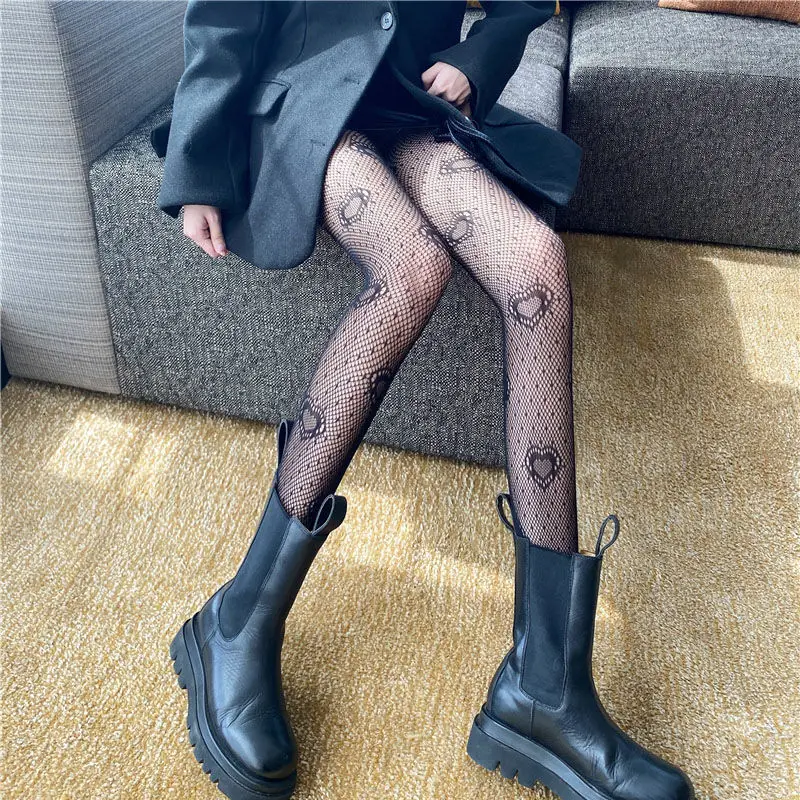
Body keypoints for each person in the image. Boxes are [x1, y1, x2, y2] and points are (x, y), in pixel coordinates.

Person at [157, 3, 696, 800]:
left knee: (537, 267)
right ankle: (235, 619)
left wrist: (476, 60)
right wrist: (198, 162)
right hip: (303, 97)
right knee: (413, 270)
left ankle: (542, 686)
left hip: (410, 102)